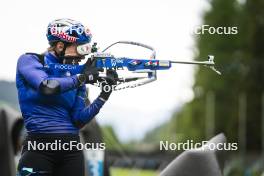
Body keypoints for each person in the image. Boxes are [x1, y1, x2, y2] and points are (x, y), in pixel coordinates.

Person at [16, 18, 116, 176]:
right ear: (60, 46)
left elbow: (78, 120)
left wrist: (104, 94)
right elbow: (47, 86)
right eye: (79, 49)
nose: (81, 56)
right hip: (39, 148)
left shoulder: (75, 76)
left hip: (71, 151)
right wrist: (83, 78)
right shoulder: (29, 60)